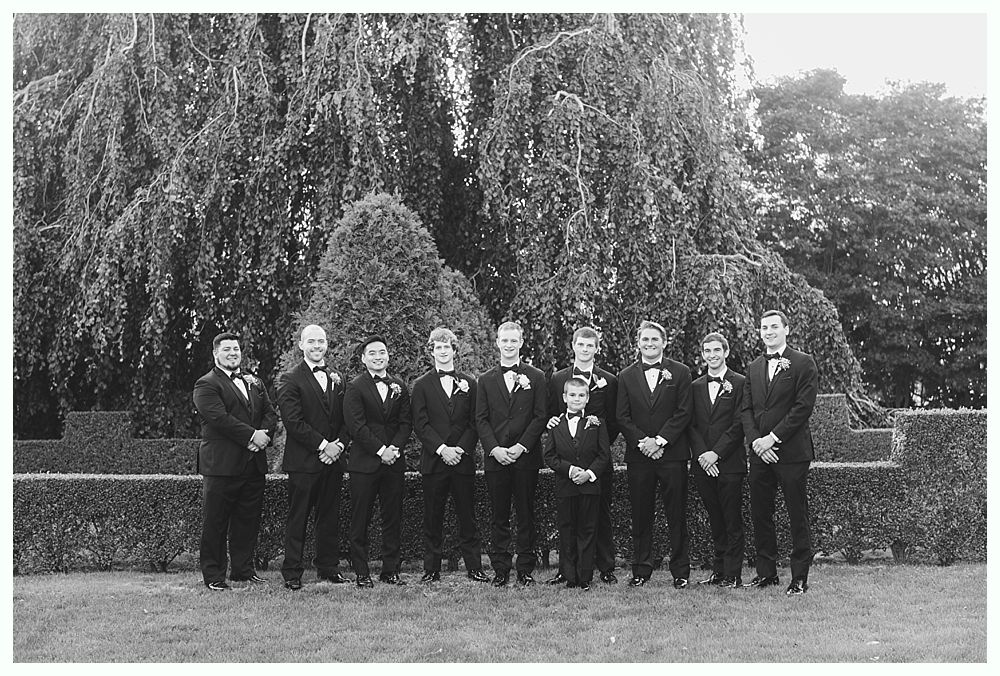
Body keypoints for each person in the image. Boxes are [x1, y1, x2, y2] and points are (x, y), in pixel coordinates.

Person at [741, 310, 818, 595]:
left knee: (797, 514)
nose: (769, 331)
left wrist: (772, 439)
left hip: (792, 453)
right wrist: (757, 443)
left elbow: (802, 408)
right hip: (760, 454)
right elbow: (746, 410)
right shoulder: (753, 367)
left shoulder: (803, 362)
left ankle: (799, 578)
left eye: (774, 326)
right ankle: (766, 573)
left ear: (786, 329)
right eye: (764, 327)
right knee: (761, 513)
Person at [193, 332, 278, 591]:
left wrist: (263, 436)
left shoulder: (254, 381)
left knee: (247, 521)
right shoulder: (206, 384)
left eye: (236, 349)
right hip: (221, 465)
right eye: (227, 349)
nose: (233, 353)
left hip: (253, 464)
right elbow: (219, 419)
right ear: (215, 354)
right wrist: (252, 436)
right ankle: (214, 576)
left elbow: (270, 413)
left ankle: (243, 570)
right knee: (215, 523)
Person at [616, 320, 693, 588]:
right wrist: (644, 443)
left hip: (672, 455)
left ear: (664, 342)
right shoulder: (625, 375)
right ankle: (641, 570)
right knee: (641, 515)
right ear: (638, 343)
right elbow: (622, 416)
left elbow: (684, 412)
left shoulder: (681, 372)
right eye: (645, 339)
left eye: (654, 339)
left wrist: (660, 441)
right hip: (639, 458)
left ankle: (680, 572)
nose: (649, 344)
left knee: (677, 515)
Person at [410, 327, 490, 583]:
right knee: (432, 518)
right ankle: (431, 569)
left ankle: (474, 567)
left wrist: (460, 449)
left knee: (468, 516)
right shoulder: (421, 385)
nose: (443, 351)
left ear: (455, 351)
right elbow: (420, 424)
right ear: (431, 351)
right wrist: (442, 449)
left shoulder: (470, 383)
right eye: (438, 347)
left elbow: (475, 422)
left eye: (447, 347)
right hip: (434, 462)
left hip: (462, 461)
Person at [275, 324, 351, 590]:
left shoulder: (337, 377)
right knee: (298, 518)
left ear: (326, 344)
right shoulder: (290, 379)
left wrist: (338, 446)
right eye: (311, 341)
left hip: (334, 460)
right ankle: (292, 572)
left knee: (329, 517)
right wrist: (323, 446)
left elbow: (347, 417)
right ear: (301, 345)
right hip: (304, 462)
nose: (317, 346)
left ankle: (328, 567)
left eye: (321, 341)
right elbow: (293, 422)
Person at [545, 326, 620, 585]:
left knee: (601, 515)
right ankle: (566, 570)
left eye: (590, 345)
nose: (585, 349)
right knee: (568, 521)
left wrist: (596, 449)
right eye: (581, 344)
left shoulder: (609, 380)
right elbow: (553, 414)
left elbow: (614, 420)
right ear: (573, 346)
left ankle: (605, 567)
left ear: (597, 349)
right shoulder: (558, 379)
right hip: (566, 462)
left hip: (597, 462)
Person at [475, 320, 547, 587]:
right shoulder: (485, 380)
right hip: (496, 458)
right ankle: (501, 569)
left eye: (513, 340)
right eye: (504, 340)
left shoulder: (536, 377)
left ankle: (525, 569)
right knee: (499, 516)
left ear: (521, 343)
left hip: (525, 457)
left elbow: (540, 416)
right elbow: (481, 419)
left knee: (526, 514)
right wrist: (494, 449)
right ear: (497, 343)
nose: (508, 345)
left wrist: (521, 446)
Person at [343, 334, 412, 588]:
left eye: (382, 352)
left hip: (394, 463)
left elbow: (406, 422)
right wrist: (381, 450)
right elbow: (356, 426)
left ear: (388, 356)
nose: (378, 357)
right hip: (365, 464)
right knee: (361, 518)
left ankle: (390, 570)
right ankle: (362, 572)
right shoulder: (355, 387)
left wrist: (395, 448)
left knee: (392, 517)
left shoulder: (399, 386)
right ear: (363, 359)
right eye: (372, 353)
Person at [689, 332, 747, 589]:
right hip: (703, 465)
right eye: (707, 351)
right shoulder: (695, 386)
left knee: (732, 520)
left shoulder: (740, 383)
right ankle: (719, 571)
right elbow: (690, 424)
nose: (712, 355)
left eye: (716, 350)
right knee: (715, 519)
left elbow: (739, 424)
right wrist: (704, 455)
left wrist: (717, 453)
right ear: (703, 355)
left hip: (730, 463)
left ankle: (733, 574)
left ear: (726, 352)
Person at [543, 377, 611, 591]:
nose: (576, 399)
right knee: (567, 529)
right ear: (564, 397)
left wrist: (589, 474)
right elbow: (549, 456)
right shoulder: (555, 425)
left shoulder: (597, 424)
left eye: (581, 395)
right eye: (572, 395)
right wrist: (570, 470)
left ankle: (585, 577)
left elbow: (604, 455)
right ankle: (569, 575)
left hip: (589, 486)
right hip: (566, 486)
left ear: (587, 398)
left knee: (588, 530)